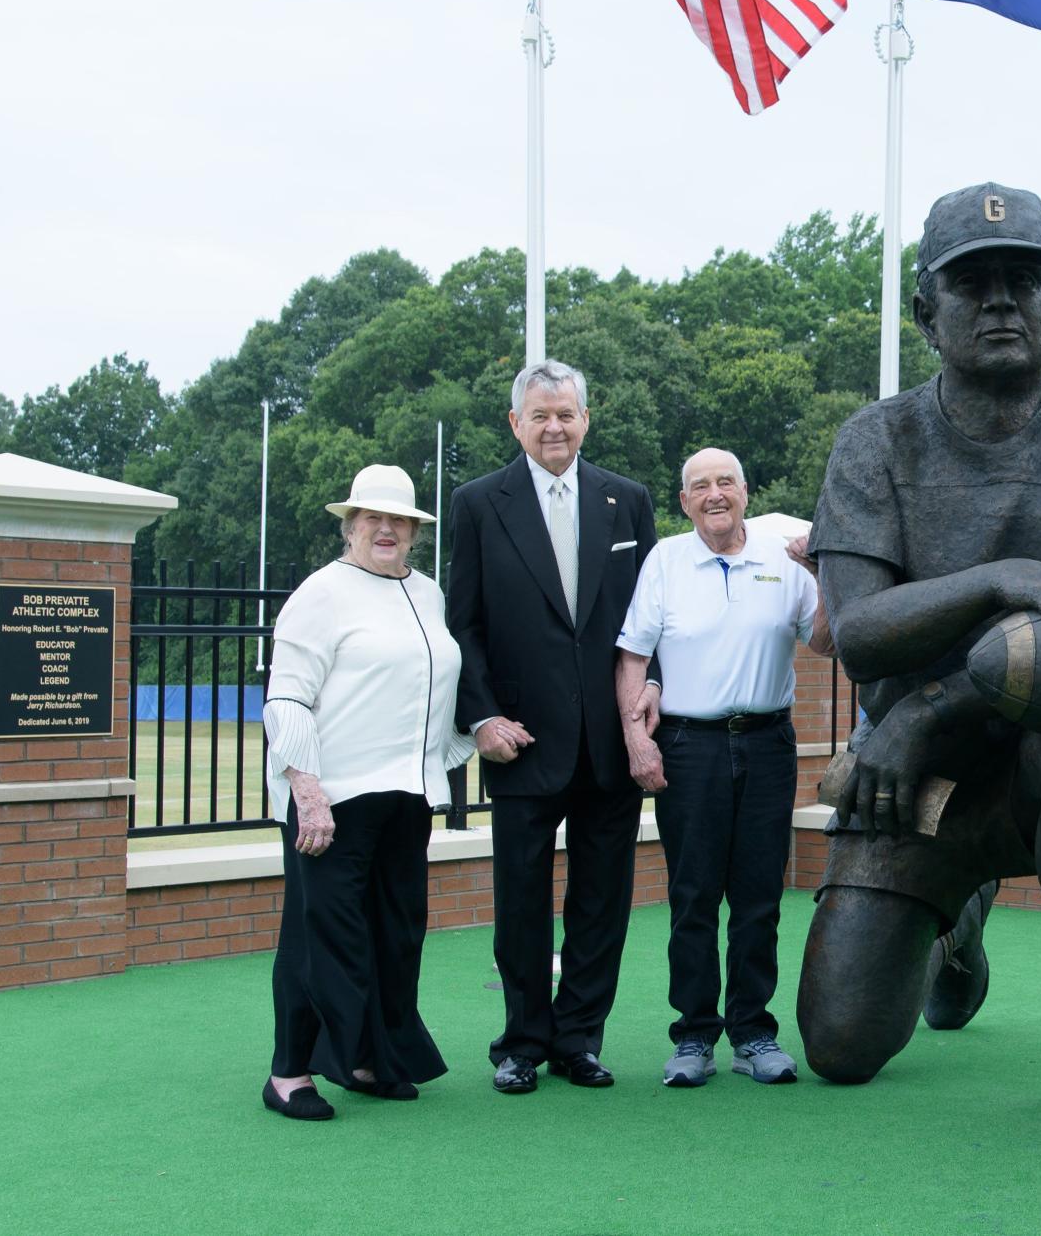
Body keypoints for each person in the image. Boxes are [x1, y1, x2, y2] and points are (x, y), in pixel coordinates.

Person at [795, 181, 1041, 1141]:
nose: (1002, 301)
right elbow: (863, 631)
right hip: (912, 784)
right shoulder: (875, 441)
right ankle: (953, 916)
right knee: (841, 1046)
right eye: (973, 285)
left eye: (1024, 280)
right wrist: (1003, 577)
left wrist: (920, 713)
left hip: (1031, 765)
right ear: (927, 314)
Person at [446, 360, 661, 1096]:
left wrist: (650, 691)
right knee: (522, 906)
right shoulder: (479, 504)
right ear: (515, 424)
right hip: (520, 741)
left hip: (609, 745)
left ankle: (580, 1040)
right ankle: (522, 1043)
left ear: (586, 419)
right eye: (539, 415)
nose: (554, 427)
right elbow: (463, 625)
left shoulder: (627, 501)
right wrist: (480, 717)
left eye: (566, 414)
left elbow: (649, 621)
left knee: (602, 902)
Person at [259, 463, 471, 1121]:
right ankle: (289, 1073)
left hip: (406, 797)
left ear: (413, 531)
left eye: (398, 520)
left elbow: (435, 691)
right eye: (373, 518)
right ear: (351, 526)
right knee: (319, 938)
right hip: (333, 798)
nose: (386, 529)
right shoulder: (322, 593)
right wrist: (307, 790)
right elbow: (287, 693)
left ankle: (370, 1057)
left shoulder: (429, 594)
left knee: (395, 934)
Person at [616, 448, 833, 1088]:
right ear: (684, 502)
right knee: (692, 896)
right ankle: (693, 1036)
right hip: (689, 745)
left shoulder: (783, 560)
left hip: (768, 743)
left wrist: (826, 575)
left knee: (759, 897)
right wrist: (637, 738)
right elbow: (633, 654)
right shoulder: (665, 561)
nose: (714, 495)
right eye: (700, 486)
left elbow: (821, 640)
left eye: (725, 483)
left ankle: (753, 1033)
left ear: (745, 490)